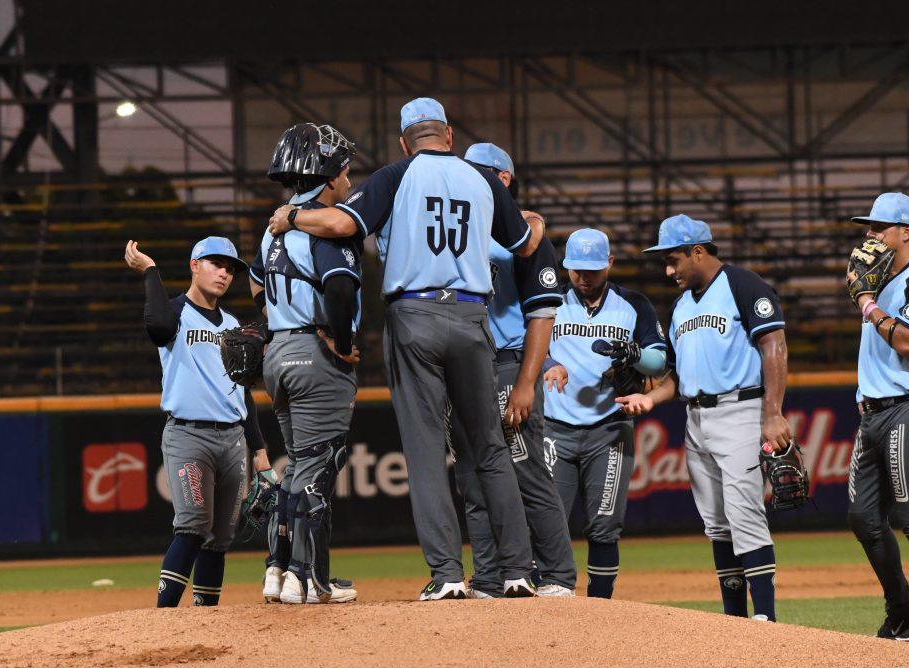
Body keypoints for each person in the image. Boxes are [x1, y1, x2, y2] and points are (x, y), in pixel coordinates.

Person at [266, 97, 539, 600]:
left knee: (427, 452)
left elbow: (342, 225)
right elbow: (525, 243)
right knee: (489, 447)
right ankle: (519, 572)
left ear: (404, 142)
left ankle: (449, 577)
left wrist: (293, 217)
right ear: (449, 135)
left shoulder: (396, 174)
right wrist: (535, 221)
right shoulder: (482, 177)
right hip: (472, 316)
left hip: (414, 317)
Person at [617, 215, 792, 622]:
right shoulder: (681, 306)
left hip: (740, 411)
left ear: (698, 251)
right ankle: (733, 620)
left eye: (673, 260)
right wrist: (650, 399)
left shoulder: (743, 285)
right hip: (695, 419)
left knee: (745, 515)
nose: (669, 271)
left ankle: (766, 618)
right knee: (716, 523)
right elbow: (677, 377)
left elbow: (774, 343)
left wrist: (773, 413)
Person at [447, 142, 576, 599]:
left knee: (525, 468)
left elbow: (542, 315)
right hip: (464, 366)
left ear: (502, 179)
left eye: (479, 172)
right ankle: (488, 578)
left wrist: (525, 383)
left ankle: (558, 574)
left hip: (506, 364)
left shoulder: (526, 239)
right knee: (471, 476)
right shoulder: (459, 230)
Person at [124, 236, 274, 608]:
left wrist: (259, 450)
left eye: (230, 269)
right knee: (192, 525)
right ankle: (164, 618)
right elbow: (157, 328)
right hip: (188, 435)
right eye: (216, 264)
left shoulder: (233, 324)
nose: (224, 273)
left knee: (220, 538)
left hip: (233, 440)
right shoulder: (175, 311)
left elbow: (243, 392)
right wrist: (151, 272)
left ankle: (204, 623)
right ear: (194, 265)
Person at [250, 123, 362, 605]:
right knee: (320, 465)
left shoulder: (272, 229)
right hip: (314, 355)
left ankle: (277, 569)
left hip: (278, 353)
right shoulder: (321, 223)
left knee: (297, 466)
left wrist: (280, 323)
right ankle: (307, 578)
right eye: (345, 171)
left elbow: (256, 284)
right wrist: (340, 341)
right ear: (329, 175)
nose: (349, 180)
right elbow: (339, 286)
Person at [844, 192, 909, 647]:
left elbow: (908, 342)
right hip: (872, 413)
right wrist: (868, 297)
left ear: (906, 232)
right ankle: (903, 613)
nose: (870, 236)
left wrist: (868, 304)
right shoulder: (878, 282)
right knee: (863, 517)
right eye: (867, 228)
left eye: (878, 227)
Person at [540, 228, 666, 598]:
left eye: (592, 269)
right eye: (577, 269)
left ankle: (600, 607)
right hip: (554, 427)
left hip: (609, 429)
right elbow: (526, 346)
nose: (584, 277)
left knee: (605, 525)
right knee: (547, 522)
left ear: (609, 263)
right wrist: (548, 362)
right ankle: (545, 601)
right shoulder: (549, 300)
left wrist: (634, 354)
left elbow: (658, 361)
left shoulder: (633, 304)